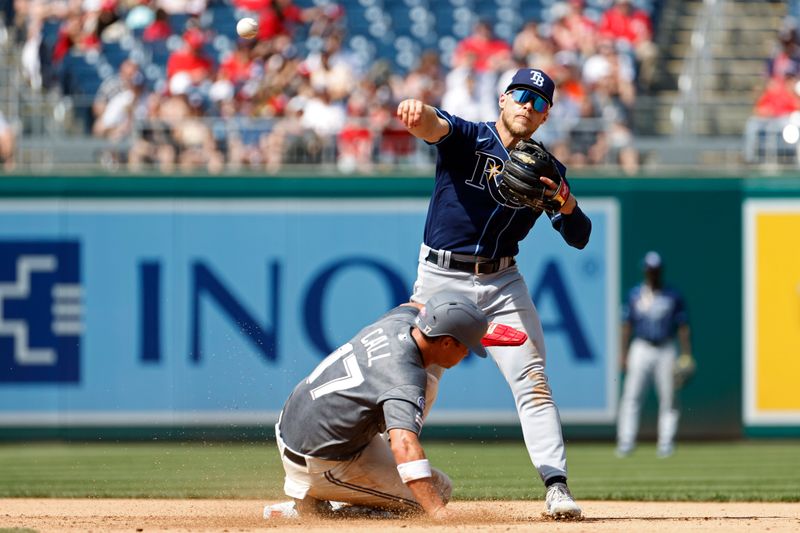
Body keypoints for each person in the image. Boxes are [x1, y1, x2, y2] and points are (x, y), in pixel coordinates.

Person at [395, 67, 592, 520]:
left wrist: (565, 201)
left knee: (533, 381)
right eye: (522, 94)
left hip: (502, 283)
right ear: (503, 99)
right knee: (415, 381)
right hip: (441, 279)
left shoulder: (547, 172)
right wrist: (416, 111)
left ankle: (556, 486)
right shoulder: (469, 139)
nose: (529, 104)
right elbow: (434, 125)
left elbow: (579, 235)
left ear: (545, 117)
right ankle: (381, 471)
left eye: (539, 101)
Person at [263, 291, 490, 520]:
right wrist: (437, 511)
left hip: (295, 427)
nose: (467, 352)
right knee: (436, 492)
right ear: (447, 341)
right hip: (322, 462)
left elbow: (412, 305)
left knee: (428, 382)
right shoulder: (403, 377)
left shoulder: (398, 322)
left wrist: (474, 327)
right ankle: (313, 513)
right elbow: (404, 445)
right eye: (467, 346)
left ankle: (316, 495)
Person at [616, 251, 693, 459]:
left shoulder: (672, 295)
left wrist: (686, 354)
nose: (652, 274)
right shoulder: (635, 294)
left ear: (660, 271)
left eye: (655, 270)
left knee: (668, 397)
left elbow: (683, 326)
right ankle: (626, 441)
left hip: (666, 347)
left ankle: (666, 442)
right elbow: (626, 326)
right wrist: (622, 354)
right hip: (640, 346)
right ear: (645, 271)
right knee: (631, 395)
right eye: (649, 270)